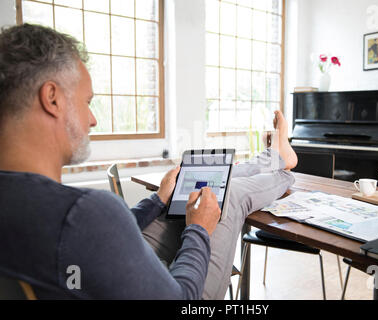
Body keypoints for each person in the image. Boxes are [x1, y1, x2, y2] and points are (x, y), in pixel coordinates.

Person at [0, 24, 297, 299]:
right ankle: (282, 168)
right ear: (52, 98)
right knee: (228, 196)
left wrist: (157, 199)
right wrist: (200, 229)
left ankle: (270, 158)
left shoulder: (34, 206)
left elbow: (97, 236)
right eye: (87, 102)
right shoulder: (82, 213)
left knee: (204, 185)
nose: (92, 119)